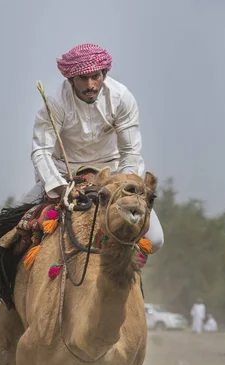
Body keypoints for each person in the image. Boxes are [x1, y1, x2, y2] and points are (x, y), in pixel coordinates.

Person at [22, 43, 164, 252]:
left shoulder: (121, 98)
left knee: (155, 239)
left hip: (112, 172)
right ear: (71, 79)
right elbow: (41, 149)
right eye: (83, 78)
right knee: (9, 231)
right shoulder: (56, 102)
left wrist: (121, 188)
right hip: (64, 174)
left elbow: (131, 152)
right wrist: (60, 188)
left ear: (104, 74)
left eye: (95, 76)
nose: (90, 85)